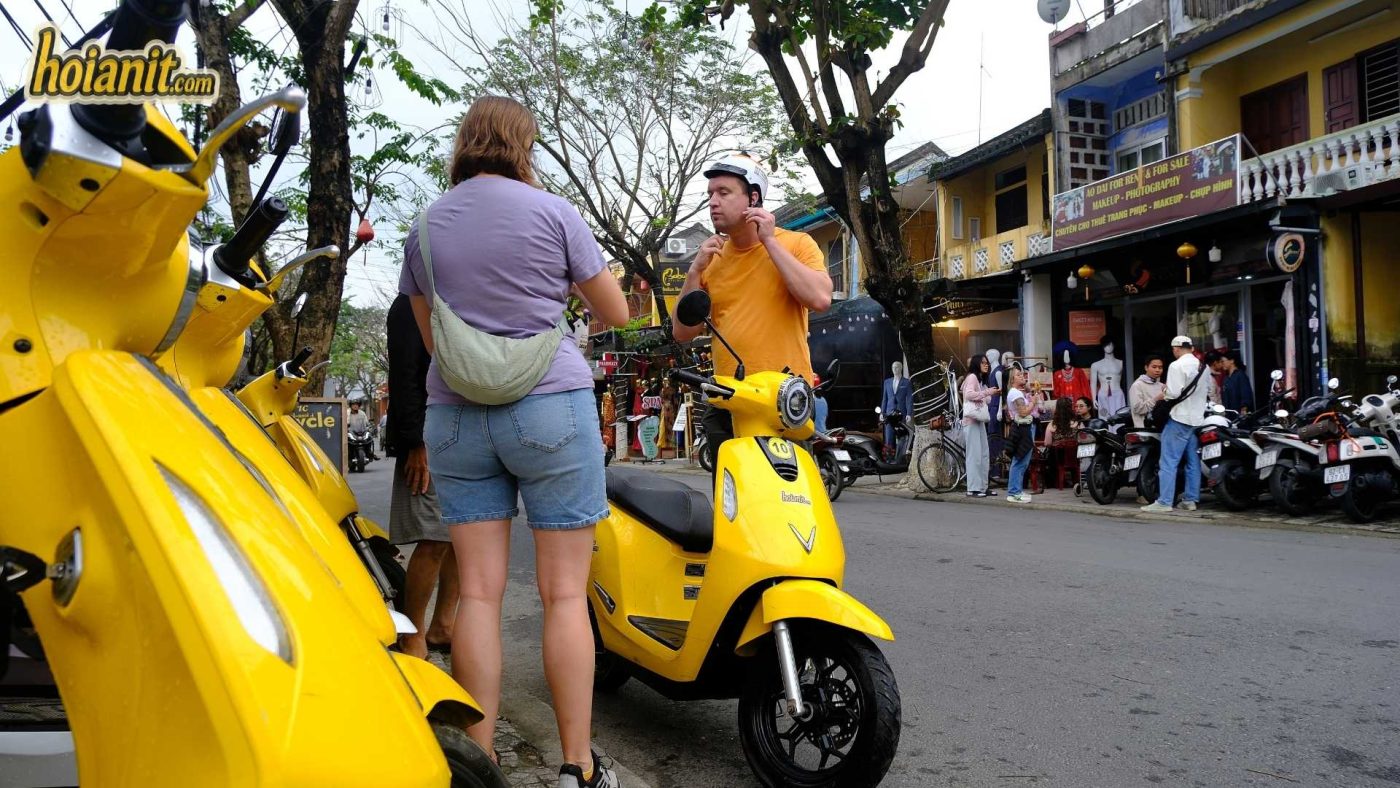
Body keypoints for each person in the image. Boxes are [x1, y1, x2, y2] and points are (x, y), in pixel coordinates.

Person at [399, 95, 629, 788]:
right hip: (551, 404)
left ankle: (482, 762)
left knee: (481, 598)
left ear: (466, 143)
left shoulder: (424, 227)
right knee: (564, 596)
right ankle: (577, 768)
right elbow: (613, 312)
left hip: (458, 415)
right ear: (522, 145)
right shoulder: (555, 212)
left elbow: (431, 336)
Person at [672, 154, 831, 460]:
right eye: (710, 194)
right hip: (727, 400)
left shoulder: (796, 243)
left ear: (753, 197)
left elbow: (820, 299)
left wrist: (769, 242)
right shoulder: (711, 259)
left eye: (724, 192)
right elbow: (683, 331)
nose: (713, 202)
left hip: (783, 400)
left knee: (790, 500)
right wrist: (694, 273)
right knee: (734, 503)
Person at [386, 293, 457, 660]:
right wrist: (416, 442)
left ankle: (443, 626)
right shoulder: (409, 304)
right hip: (426, 440)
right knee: (433, 537)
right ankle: (411, 631)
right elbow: (404, 376)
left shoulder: (458, 295)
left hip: (461, 432)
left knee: (462, 536)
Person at [1141, 336, 1210, 514]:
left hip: (1180, 418)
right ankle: (1190, 500)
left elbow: (1172, 393)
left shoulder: (1176, 365)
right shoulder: (1203, 367)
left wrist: (1164, 392)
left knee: (1168, 461)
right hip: (1197, 419)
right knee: (1192, 461)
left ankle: (1164, 502)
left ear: (1177, 348)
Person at [960, 354, 999, 498]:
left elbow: (985, 399)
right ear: (977, 364)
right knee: (974, 454)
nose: (986, 365)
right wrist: (988, 392)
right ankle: (973, 488)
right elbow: (969, 395)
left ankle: (982, 486)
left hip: (979, 420)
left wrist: (987, 393)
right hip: (971, 420)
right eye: (983, 363)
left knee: (983, 454)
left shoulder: (980, 379)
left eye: (987, 362)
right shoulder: (972, 377)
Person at [1004, 369, 1036, 503]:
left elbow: (1028, 389)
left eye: (1022, 374)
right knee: (1020, 461)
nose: (1022, 376)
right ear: (1012, 380)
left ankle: (1016, 489)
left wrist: (1028, 387)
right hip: (1022, 428)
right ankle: (1013, 492)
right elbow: (1023, 412)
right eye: (1018, 375)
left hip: (1023, 427)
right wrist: (1033, 401)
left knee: (1023, 461)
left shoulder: (1017, 392)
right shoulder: (1015, 393)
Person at [881, 361, 914, 460]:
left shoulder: (906, 382)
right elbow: (885, 399)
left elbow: (909, 399)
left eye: (897, 367)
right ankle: (888, 459)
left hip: (901, 414)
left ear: (901, 368)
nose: (895, 369)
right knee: (889, 437)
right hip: (889, 413)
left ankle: (900, 459)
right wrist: (882, 412)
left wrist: (909, 413)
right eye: (893, 367)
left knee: (901, 437)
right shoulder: (887, 382)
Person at [1129, 355, 1166, 429]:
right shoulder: (1137, 385)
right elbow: (1138, 409)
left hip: (1161, 428)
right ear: (1146, 367)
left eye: (1160, 367)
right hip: (1145, 430)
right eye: (1154, 367)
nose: (1157, 370)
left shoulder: (1162, 385)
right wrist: (1156, 399)